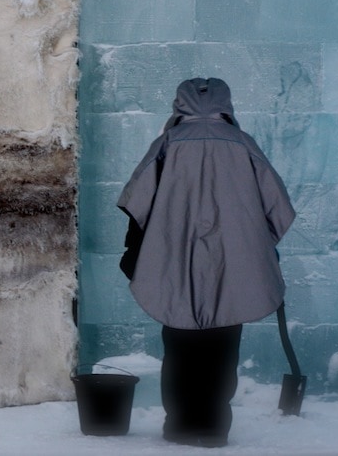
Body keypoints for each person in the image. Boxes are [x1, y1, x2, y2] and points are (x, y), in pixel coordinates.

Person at [117, 77, 295, 448]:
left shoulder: (167, 144)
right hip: (233, 266)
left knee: (179, 344)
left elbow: (137, 205)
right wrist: (252, 246)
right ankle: (214, 427)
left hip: (174, 261)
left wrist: (136, 253)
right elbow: (278, 209)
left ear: (179, 104)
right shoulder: (244, 145)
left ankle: (180, 426)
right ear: (226, 103)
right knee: (223, 345)